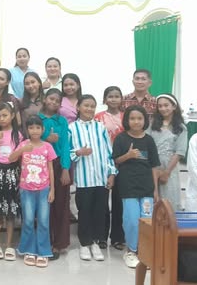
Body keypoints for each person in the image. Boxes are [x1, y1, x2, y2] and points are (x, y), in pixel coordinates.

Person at [69, 95, 117, 262]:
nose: (89, 109)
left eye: (92, 106)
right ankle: (84, 243)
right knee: (84, 211)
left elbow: (109, 152)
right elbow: (67, 152)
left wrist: (112, 173)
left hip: (101, 178)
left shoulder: (101, 128)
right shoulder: (72, 128)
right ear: (78, 107)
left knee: (100, 211)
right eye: (86, 105)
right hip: (84, 180)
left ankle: (95, 242)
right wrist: (78, 152)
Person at [112, 105, 160, 269]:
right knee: (132, 220)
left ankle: (144, 252)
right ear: (127, 120)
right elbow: (116, 160)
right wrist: (128, 155)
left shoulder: (149, 140)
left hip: (146, 187)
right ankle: (131, 251)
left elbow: (154, 166)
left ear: (145, 120)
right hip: (128, 187)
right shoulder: (121, 138)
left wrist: (155, 190)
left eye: (139, 118)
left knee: (147, 221)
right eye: (132, 118)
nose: (136, 122)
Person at [9, 116, 56, 268]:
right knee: (28, 220)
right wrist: (22, 150)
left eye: (37, 128)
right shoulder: (24, 144)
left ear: (42, 129)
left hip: (44, 189)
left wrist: (52, 190)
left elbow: (50, 169)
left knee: (43, 221)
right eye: (31, 128)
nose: (34, 131)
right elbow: (11, 158)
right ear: (27, 130)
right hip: (26, 189)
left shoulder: (47, 146)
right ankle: (28, 249)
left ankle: (43, 251)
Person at [0, 102, 24, 261]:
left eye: (5, 115)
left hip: (12, 173)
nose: (2, 119)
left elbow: (19, 157)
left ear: (12, 116)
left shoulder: (17, 134)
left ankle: (9, 245)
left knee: (10, 211)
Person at [38, 88, 71, 255]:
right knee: (42, 204)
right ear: (45, 99)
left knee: (60, 204)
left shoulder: (62, 121)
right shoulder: (37, 119)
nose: (53, 102)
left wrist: (65, 168)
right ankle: (43, 241)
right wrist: (46, 139)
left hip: (58, 164)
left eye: (57, 101)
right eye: (51, 99)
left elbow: (65, 145)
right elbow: (30, 140)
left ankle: (58, 242)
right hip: (38, 164)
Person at [94, 86, 125, 250]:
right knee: (102, 201)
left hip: (123, 162)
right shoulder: (98, 117)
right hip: (103, 163)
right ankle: (101, 236)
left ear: (121, 99)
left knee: (119, 201)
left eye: (116, 96)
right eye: (110, 96)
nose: (113, 99)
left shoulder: (126, 117)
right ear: (105, 99)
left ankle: (118, 237)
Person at [148, 94, 187, 211]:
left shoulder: (181, 127)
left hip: (170, 167)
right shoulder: (152, 124)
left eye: (166, 105)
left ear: (174, 106)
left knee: (169, 202)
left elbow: (179, 152)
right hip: (151, 166)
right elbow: (146, 144)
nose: (163, 108)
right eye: (160, 106)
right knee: (152, 201)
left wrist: (166, 172)